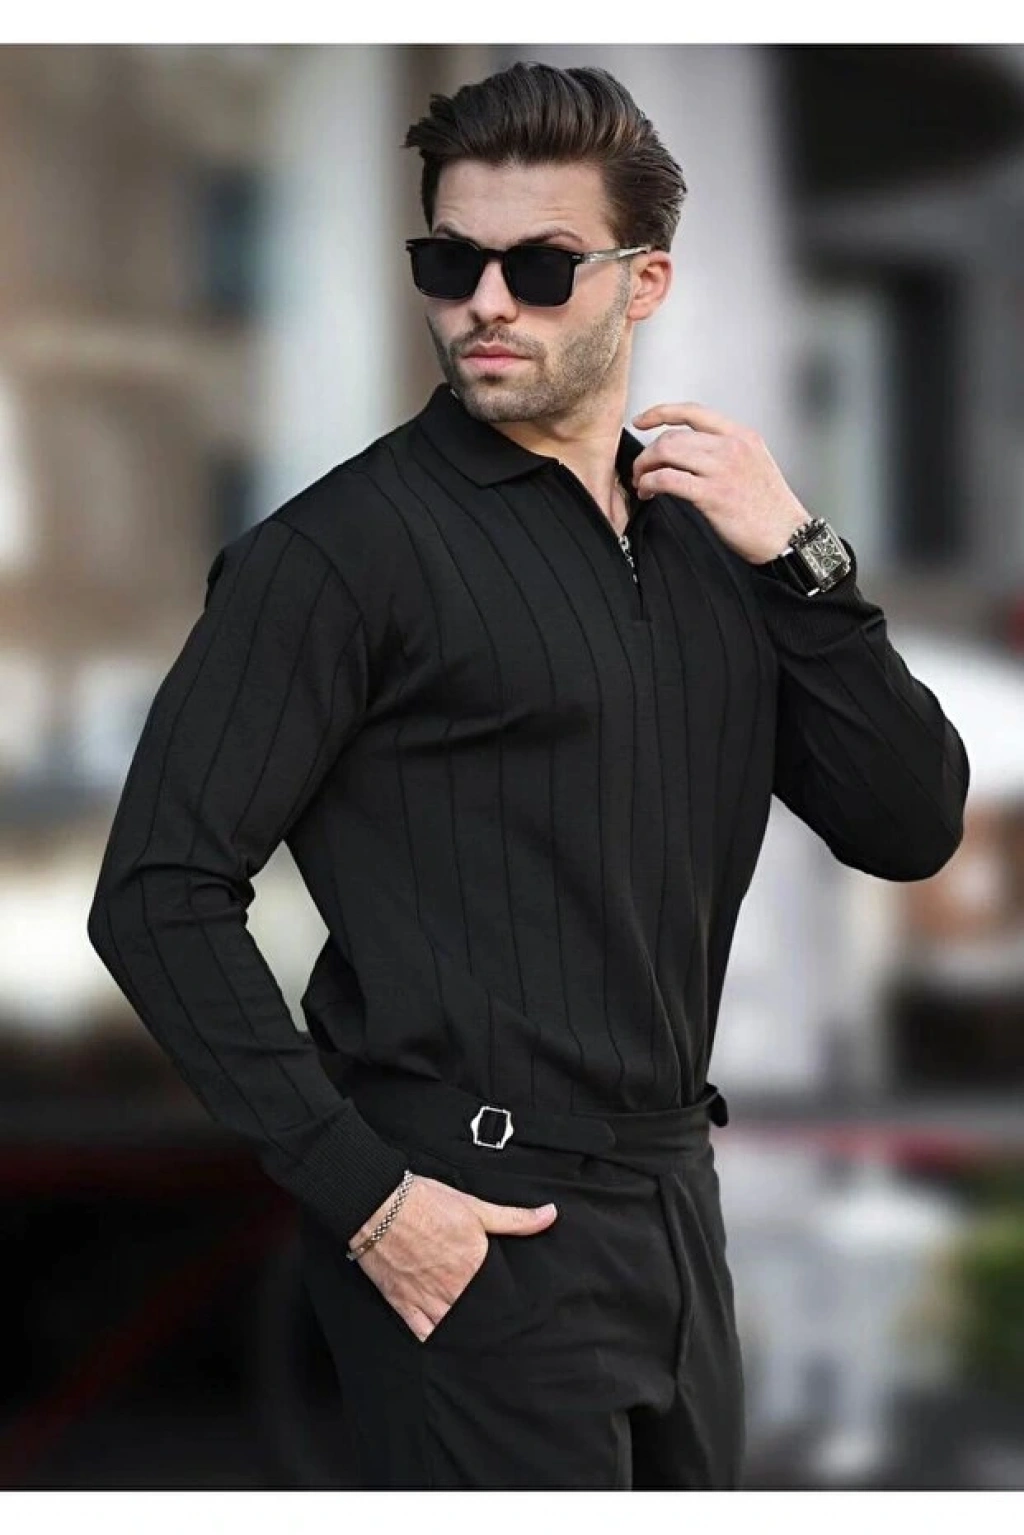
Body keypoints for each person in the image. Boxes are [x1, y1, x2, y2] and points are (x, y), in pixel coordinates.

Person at [87, 60, 971, 1490]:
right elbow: (156, 895)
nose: (486, 303)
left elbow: (909, 821)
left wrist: (805, 559)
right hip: (465, 1215)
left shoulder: (716, 545)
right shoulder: (334, 557)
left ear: (644, 281)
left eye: (542, 266)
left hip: (676, 1202)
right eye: (451, 262)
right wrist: (369, 1198)